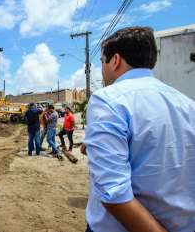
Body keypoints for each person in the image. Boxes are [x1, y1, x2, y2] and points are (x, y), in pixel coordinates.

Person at [82, 26, 195, 232]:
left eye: (102, 63)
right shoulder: (187, 104)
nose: (102, 70)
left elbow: (114, 193)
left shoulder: (108, 100)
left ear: (115, 60)